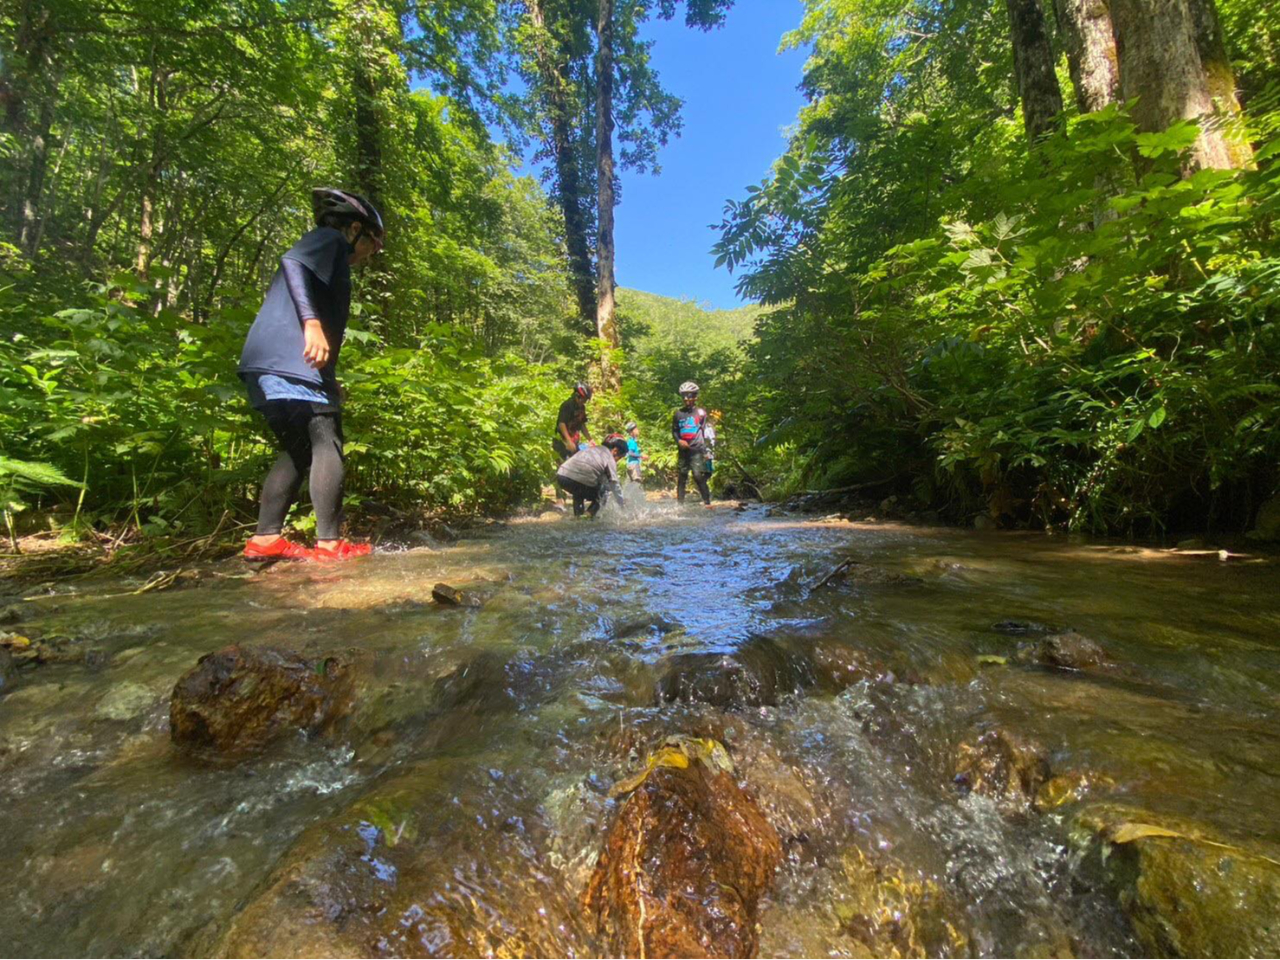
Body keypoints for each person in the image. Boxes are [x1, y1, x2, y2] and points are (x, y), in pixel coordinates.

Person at [237, 187, 384, 562]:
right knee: (326, 439)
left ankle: (266, 539)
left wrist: (328, 377)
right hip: (291, 359)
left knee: (298, 449)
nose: (370, 255)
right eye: (372, 244)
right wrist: (312, 324)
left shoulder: (330, 254)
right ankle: (330, 544)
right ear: (355, 229)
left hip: (265, 363)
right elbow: (294, 263)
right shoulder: (330, 240)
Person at [556, 435, 628, 518]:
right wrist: (622, 503)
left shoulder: (592, 449)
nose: (618, 460)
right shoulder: (609, 458)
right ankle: (588, 515)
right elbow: (614, 484)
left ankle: (578, 516)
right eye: (620, 457)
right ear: (615, 451)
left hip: (562, 475)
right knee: (604, 493)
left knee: (579, 490)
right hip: (578, 480)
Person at [672, 381, 713, 507]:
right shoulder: (678, 414)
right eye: (684, 396)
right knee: (682, 476)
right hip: (683, 450)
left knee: (697, 475)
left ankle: (707, 502)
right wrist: (679, 440)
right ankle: (680, 505)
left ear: (695, 397)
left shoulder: (700, 413)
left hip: (697, 449)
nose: (686, 399)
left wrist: (708, 450)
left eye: (689, 396)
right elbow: (674, 431)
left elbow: (706, 430)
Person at [553, 382, 594, 464]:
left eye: (586, 400)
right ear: (577, 395)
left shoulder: (581, 407)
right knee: (565, 467)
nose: (584, 402)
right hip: (562, 441)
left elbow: (582, 424)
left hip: (574, 441)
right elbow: (562, 423)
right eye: (583, 399)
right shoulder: (567, 405)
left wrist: (590, 439)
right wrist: (568, 441)